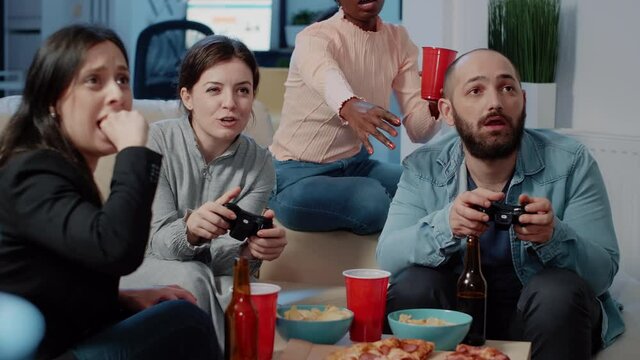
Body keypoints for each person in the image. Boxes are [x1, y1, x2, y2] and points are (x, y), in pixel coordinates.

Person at [377, 49, 625, 360]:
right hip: (455, 317)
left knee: (557, 291)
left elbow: (602, 274)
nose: (495, 102)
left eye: (507, 88)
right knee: (415, 284)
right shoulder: (423, 168)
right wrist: (446, 225)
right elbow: (388, 259)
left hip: (543, 318)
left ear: (522, 101)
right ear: (448, 111)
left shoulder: (571, 161)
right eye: (476, 90)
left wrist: (554, 237)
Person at [0, 24, 220, 360]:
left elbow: (54, 283)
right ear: (52, 101)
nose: (117, 94)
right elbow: (115, 249)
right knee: (186, 323)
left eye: (122, 79)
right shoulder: (32, 172)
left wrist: (126, 298)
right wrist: (134, 150)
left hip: (60, 339)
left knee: (172, 311)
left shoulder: (58, 169)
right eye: (94, 81)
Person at [119, 34, 287, 350]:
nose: (230, 103)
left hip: (206, 275)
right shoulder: (154, 142)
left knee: (228, 285)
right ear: (188, 97)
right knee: (197, 277)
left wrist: (249, 253)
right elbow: (156, 242)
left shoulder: (260, 161)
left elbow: (227, 263)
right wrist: (191, 232)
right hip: (137, 267)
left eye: (243, 90)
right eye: (214, 89)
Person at [268, 0, 441, 234]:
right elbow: (325, 73)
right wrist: (348, 104)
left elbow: (419, 132)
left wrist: (434, 101)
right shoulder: (314, 37)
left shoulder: (398, 39)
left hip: (354, 164)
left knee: (428, 183)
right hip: (294, 175)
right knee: (371, 199)